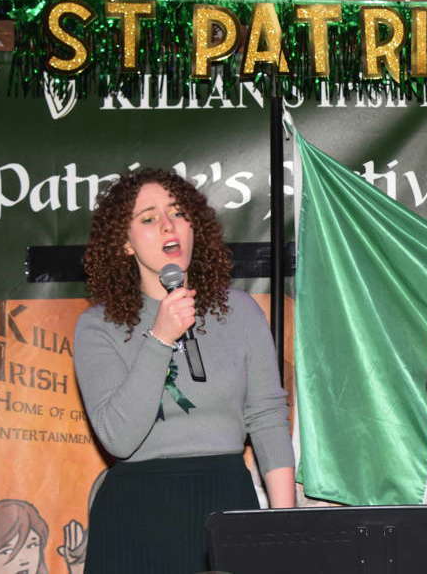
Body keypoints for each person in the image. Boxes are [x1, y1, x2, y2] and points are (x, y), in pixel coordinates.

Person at [74, 168, 294, 573]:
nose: (167, 225)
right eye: (148, 218)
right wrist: (159, 338)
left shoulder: (241, 312)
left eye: (177, 212)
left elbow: (267, 419)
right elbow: (118, 439)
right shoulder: (97, 326)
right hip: (136, 515)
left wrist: (285, 528)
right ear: (124, 244)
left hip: (225, 499)